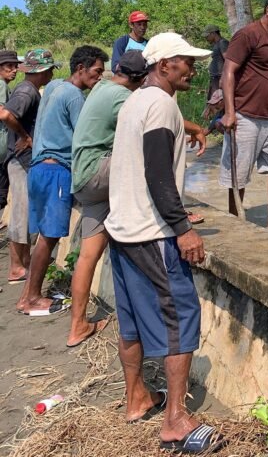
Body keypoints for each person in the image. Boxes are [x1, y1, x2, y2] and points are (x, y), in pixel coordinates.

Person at [106, 32, 219, 451]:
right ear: (164, 63)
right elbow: (157, 175)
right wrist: (182, 227)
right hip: (151, 232)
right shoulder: (159, 104)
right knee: (180, 316)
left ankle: (136, 397)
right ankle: (174, 419)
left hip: (123, 229)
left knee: (132, 318)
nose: (192, 68)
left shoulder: (136, 100)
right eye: (186, 61)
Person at [16, 45, 107, 316]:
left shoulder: (55, 86)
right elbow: (85, 136)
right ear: (81, 69)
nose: (99, 78)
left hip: (38, 168)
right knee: (50, 237)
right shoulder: (75, 97)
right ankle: (31, 297)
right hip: (56, 170)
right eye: (97, 72)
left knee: (44, 235)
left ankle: (26, 295)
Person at [66, 51, 148, 349]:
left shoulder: (102, 86)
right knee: (150, 151)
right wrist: (196, 130)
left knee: (89, 255)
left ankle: (77, 326)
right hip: (98, 173)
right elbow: (152, 121)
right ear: (139, 80)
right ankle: (172, 209)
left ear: (115, 69)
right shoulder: (122, 96)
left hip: (84, 180)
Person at [219, 0, 268, 226]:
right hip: (245, 115)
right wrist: (230, 112)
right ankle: (236, 223)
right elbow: (228, 72)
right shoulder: (247, 35)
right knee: (239, 176)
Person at [0, 49, 59, 283]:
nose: (52, 74)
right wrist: (25, 136)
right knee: (21, 214)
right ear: (41, 71)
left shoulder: (28, 89)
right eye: (50, 70)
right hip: (20, 160)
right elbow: (6, 114)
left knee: (23, 212)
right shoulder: (26, 91)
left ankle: (23, 263)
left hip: (22, 160)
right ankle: (16, 267)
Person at [0, 50, 20, 215]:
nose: (14, 70)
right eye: (9, 66)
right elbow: (2, 113)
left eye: (16, 66)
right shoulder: (1, 85)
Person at [204, 25, 229, 98]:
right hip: (215, 79)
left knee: (216, 104)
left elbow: (227, 61)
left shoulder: (222, 43)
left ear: (213, 33)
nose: (206, 38)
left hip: (219, 79)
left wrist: (223, 78)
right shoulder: (217, 44)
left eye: (207, 36)